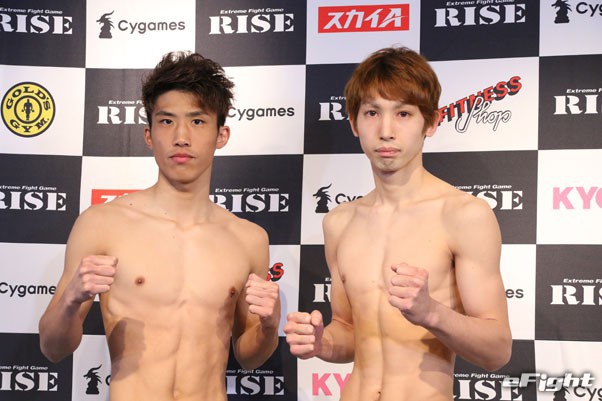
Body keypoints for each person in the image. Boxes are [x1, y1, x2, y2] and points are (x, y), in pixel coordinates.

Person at [39, 51, 281, 401]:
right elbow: (52, 348)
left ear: (221, 134)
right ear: (149, 134)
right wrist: (70, 300)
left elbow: (249, 357)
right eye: (167, 121)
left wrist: (270, 326)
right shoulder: (102, 223)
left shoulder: (249, 239)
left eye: (197, 121)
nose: (181, 136)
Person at [284, 46, 512, 401]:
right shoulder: (339, 223)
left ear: (431, 123)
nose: (386, 130)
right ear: (354, 123)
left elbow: (497, 351)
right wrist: (322, 342)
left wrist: (431, 312)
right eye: (372, 113)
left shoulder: (464, 215)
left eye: (403, 113)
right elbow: (349, 331)